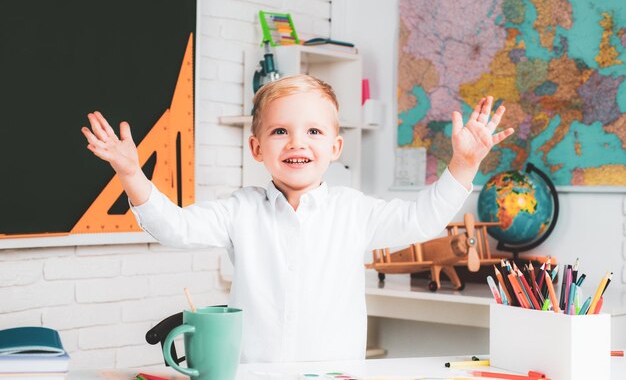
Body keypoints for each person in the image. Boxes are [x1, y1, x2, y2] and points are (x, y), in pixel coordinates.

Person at [81, 74, 514, 363]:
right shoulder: (241, 209)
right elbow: (174, 228)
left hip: (334, 374)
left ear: (335, 148)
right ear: (256, 149)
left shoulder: (354, 211)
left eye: (313, 131)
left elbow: (423, 219)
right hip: (253, 374)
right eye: (279, 131)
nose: (296, 142)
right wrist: (132, 174)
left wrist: (463, 164)